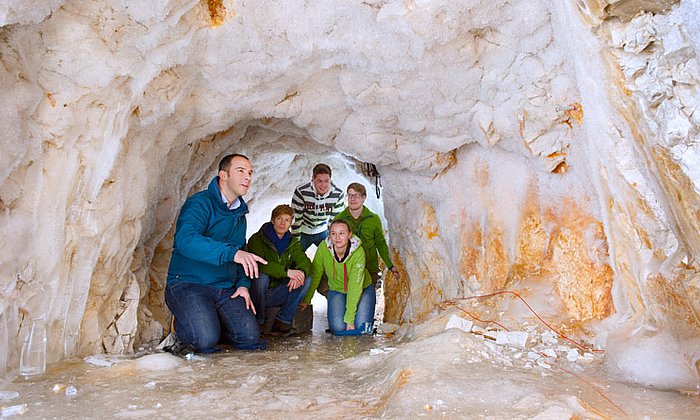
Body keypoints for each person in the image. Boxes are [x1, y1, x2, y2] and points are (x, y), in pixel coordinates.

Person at [165, 154, 268, 353]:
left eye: (250, 173)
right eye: (241, 171)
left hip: (224, 287)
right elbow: (186, 241)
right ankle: (189, 326)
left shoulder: (239, 215)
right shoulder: (200, 203)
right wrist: (231, 253)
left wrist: (243, 285)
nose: (247, 177)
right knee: (203, 339)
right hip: (189, 283)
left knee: (249, 336)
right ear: (223, 175)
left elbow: (240, 253)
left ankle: (209, 324)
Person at [300, 219, 375, 335]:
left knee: (361, 328)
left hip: (362, 289)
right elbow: (316, 273)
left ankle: (363, 314)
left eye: (342, 233)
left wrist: (350, 320)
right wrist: (307, 299)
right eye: (333, 233)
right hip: (337, 289)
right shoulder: (324, 248)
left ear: (349, 234)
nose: (337, 238)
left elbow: (355, 286)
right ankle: (346, 309)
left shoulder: (358, 252)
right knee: (338, 328)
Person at [247, 204, 312, 333]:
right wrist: (287, 272)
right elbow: (260, 264)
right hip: (259, 292)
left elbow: (304, 261)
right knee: (261, 277)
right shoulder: (257, 239)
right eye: (279, 219)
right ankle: (259, 321)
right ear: (272, 220)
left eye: (287, 220)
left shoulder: (291, 242)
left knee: (306, 278)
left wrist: (300, 273)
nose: (283, 223)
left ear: (290, 223)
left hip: (278, 291)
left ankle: (283, 320)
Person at [335, 182, 399, 287]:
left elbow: (380, 244)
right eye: (350, 195)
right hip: (347, 270)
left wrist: (390, 265)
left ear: (364, 198)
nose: (352, 199)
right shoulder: (339, 220)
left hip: (369, 269)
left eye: (356, 196)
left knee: (367, 302)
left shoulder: (373, 219)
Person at [291, 163, 345, 251]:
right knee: (294, 258)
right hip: (303, 231)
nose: (323, 185)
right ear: (313, 179)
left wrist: (333, 243)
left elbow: (335, 221)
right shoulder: (301, 191)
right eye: (320, 181)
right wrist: (295, 242)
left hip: (322, 231)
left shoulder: (337, 194)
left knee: (332, 257)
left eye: (326, 181)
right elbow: (296, 219)